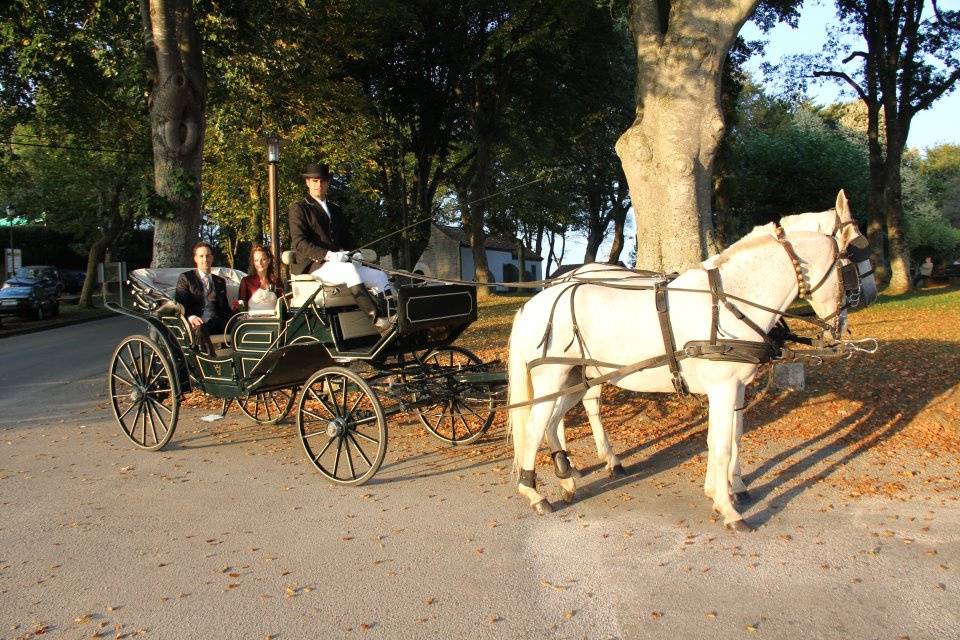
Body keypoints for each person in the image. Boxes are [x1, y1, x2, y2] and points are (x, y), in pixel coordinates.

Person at [288, 163, 392, 333]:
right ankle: (377, 320)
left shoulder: (335, 209)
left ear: (328, 183)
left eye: (322, 181)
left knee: (379, 276)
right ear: (307, 182)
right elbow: (300, 243)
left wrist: (356, 253)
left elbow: (347, 239)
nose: (318, 185)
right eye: (314, 181)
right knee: (349, 271)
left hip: (339, 264)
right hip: (315, 265)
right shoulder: (300, 208)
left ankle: (391, 316)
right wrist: (328, 255)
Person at [175, 241, 233, 354]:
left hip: (216, 320)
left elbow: (225, 308)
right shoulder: (186, 278)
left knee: (238, 328)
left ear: (212, 258)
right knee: (200, 328)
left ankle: (235, 362)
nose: (205, 259)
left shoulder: (220, 281)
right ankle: (210, 364)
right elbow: (181, 304)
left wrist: (236, 318)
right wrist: (191, 317)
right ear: (196, 259)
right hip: (197, 322)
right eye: (201, 256)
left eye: (207, 256)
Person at [234, 244, 284, 313]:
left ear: (268, 261)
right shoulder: (246, 281)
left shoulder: (276, 281)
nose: (260, 263)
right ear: (253, 263)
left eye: (263, 259)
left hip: (274, 321)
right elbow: (241, 308)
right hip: (254, 321)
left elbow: (283, 304)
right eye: (256, 260)